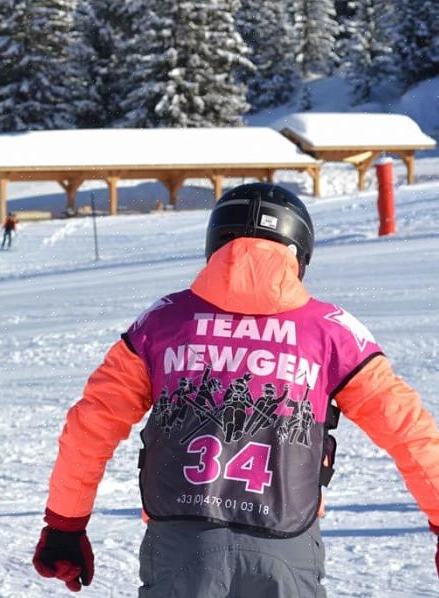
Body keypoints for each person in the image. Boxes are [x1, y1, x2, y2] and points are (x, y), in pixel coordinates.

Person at [32, 183, 439, 596]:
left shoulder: (162, 323)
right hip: (285, 542)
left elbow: (92, 424)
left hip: (181, 541)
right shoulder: (333, 332)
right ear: (299, 249)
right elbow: (409, 431)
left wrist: (66, 523)